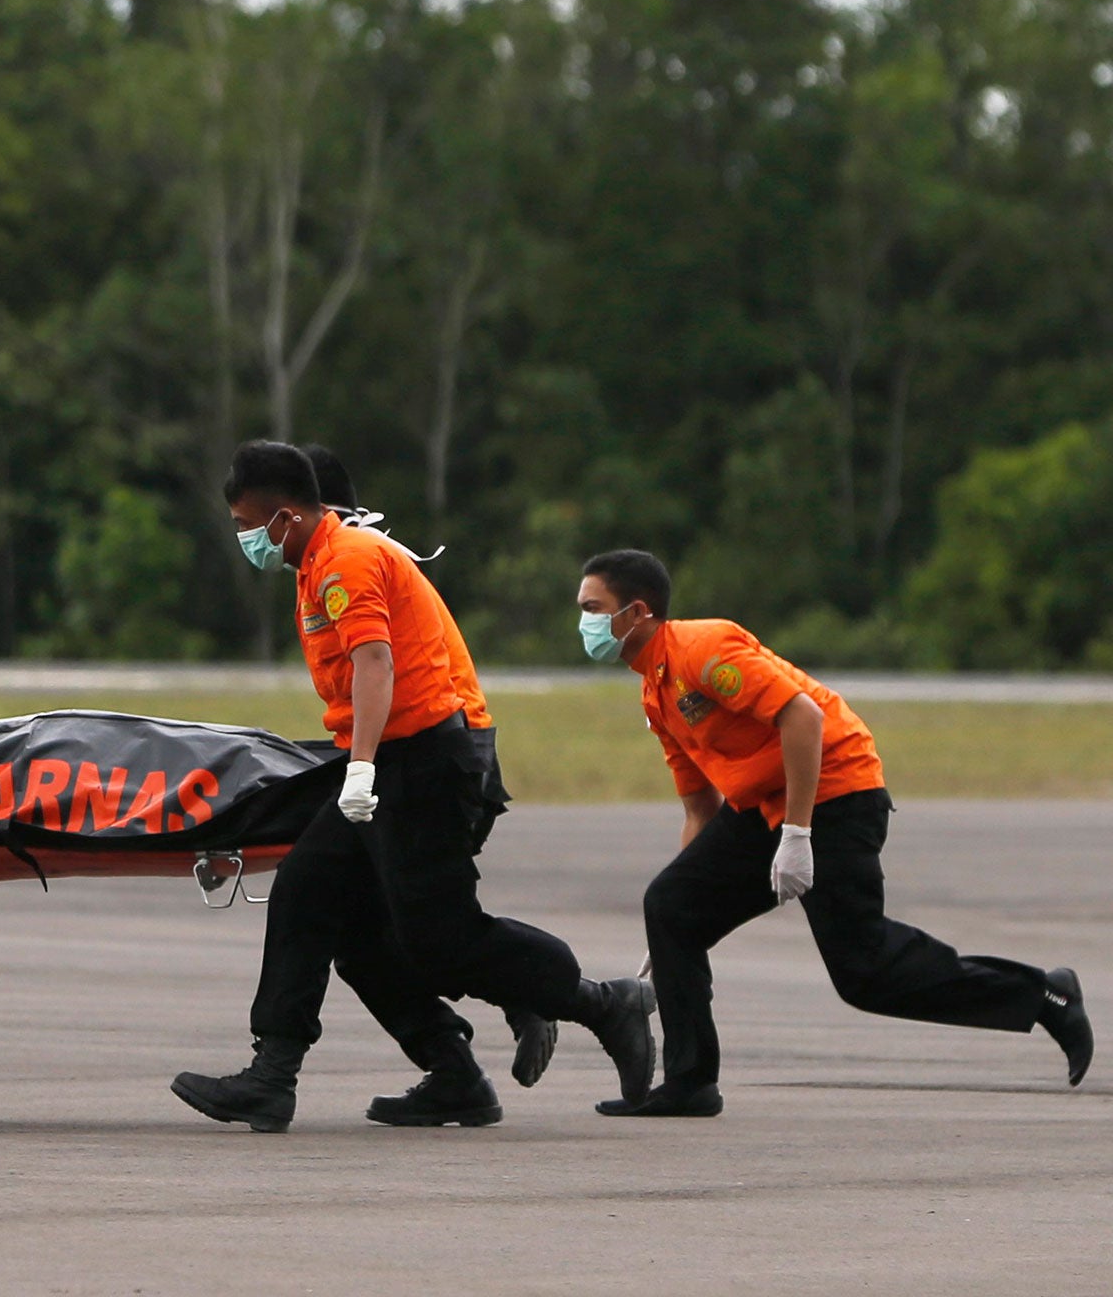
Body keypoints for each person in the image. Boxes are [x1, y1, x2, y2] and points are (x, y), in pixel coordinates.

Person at [171, 442, 654, 1132]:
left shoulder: (347, 560)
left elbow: (374, 662)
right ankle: (278, 1076)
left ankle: (604, 1003)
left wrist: (361, 767)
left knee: (441, 939)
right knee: (312, 896)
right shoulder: (314, 566)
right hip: (391, 760)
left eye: (248, 522)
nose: (245, 537)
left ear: (284, 515)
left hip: (423, 762)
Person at [576, 548, 1093, 1117]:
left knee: (864, 971)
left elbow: (804, 718)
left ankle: (1046, 994)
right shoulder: (656, 692)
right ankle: (690, 1082)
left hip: (837, 791)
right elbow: (701, 809)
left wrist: (799, 834)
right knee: (670, 905)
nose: (584, 622)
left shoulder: (704, 649)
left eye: (593, 608)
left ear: (638, 611)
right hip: (766, 804)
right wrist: (672, 920)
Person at [298, 444, 558, 1095]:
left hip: (443, 753)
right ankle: (479, 1041)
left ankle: (552, 992)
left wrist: (358, 770)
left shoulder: (351, 561)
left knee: (415, 931)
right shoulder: (345, 559)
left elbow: (382, 678)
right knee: (380, 935)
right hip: (432, 749)